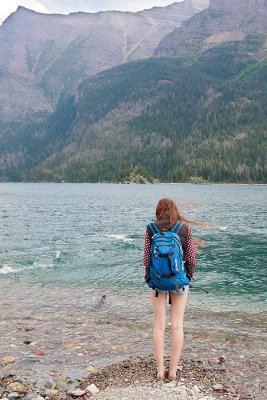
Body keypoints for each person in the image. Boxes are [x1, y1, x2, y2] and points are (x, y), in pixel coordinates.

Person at [143, 197, 204, 381]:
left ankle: (160, 371)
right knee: (177, 325)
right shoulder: (184, 229)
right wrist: (188, 276)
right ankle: (173, 372)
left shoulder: (151, 229)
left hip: (157, 282)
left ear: (158, 211)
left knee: (159, 326)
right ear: (174, 210)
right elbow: (191, 260)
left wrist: (150, 277)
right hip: (180, 282)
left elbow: (146, 259)